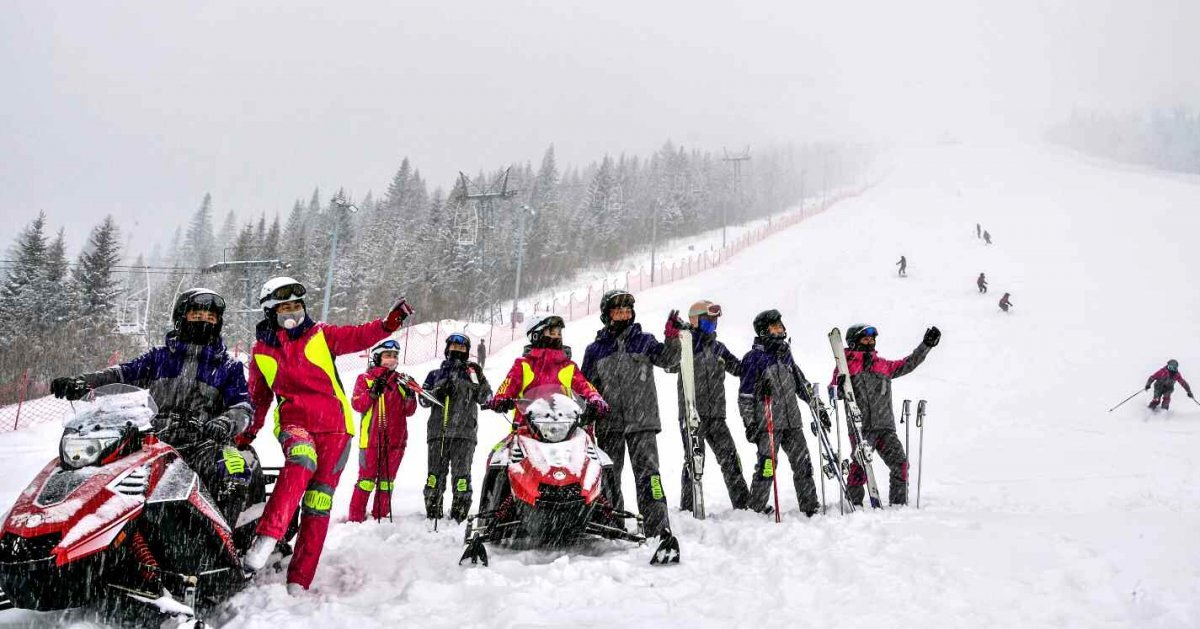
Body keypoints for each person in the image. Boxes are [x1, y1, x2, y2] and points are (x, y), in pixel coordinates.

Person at [241, 276, 413, 595]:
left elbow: (359, 336)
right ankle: (266, 539)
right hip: (295, 423)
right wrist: (247, 433)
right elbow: (259, 398)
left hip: (336, 429)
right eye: (284, 307)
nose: (293, 312)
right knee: (301, 460)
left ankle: (298, 581)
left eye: (297, 306)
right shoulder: (261, 352)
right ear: (270, 311)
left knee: (318, 504)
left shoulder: (321, 335)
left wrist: (388, 325)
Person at [50, 289, 255, 525]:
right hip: (156, 438)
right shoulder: (159, 357)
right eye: (196, 315)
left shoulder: (229, 366)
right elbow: (121, 374)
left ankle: (227, 544)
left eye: (210, 318)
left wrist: (224, 422)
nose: (203, 321)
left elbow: (242, 407)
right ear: (181, 318)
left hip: (206, 440)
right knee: (100, 471)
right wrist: (85, 382)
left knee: (233, 474)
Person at [582, 290, 682, 541]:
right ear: (607, 315)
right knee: (609, 477)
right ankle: (611, 525)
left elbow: (670, 361)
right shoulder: (595, 350)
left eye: (628, 310)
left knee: (650, 476)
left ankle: (657, 527)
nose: (624, 315)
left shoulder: (645, 341)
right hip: (610, 425)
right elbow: (587, 389)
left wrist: (672, 337)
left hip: (642, 422)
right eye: (618, 311)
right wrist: (588, 418)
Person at [482, 314, 607, 508]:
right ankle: (494, 512)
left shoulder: (569, 367)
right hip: (527, 429)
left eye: (559, 332)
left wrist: (594, 398)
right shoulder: (522, 365)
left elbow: (584, 385)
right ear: (536, 335)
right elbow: (507, 386)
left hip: (567, 429)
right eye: (552, 332)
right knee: (498, 459)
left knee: (597, 459)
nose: (556, 336)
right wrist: (500, 399)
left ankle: (603, 509)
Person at [830, 324, 939, 506]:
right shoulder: (845, 365)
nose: (870, 342)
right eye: (865, 339)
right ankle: (853, 504)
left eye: (872, 339)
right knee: (860, 468)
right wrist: (838, 386)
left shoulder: (883, 365)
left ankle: (898, 505)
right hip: (861, 429)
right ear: (854, 342)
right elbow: (833, 393)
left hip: (886, 428)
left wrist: (925, 345)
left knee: (901, 465)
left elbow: (908, 363)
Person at [737, 310, 827, 517]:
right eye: (775, 326)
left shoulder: (785, 353)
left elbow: (800, 383)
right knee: (767, 467)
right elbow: (746, 396)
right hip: (769, 422)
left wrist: (817, 406)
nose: (780, 329)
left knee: (803, 463)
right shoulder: (753, 358)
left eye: (780, 326)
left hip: (792, 422)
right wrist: (749, 423)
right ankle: (756, 508)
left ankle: (810, 506)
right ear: (763, 331)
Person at [667, 300, 750, 511]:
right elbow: (669, 364)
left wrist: (756, 364)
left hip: (717, 415)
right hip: (692, 414)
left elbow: (739, 368)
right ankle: (689, 508)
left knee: (731, 459)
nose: (712, 323)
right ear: (695, 320)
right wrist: (672, 339)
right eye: (708, 319)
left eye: (714, 320)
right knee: (694, 461)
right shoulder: (686, 343)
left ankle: (743, 504)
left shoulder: (717, 347)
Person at [421, 333, 492, 522]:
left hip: (464, 433)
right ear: (447, 349)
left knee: (461, 477)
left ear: (467, 351)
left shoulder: (473, 373)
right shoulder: (435, 374)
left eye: (462, 348)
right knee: (435, 475)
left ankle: (459, 513)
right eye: (454, 347)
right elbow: (423, 399)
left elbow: (485, 398)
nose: (457, 350)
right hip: (439, 432)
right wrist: (440, 389)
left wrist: (477, 378)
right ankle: (433, 510)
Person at [347, 340, 417, 523]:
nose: (392, 359)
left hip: (396, 441)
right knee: (366, 480)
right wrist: (372, 393)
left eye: (395, 356)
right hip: (371, 440)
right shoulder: (365, 378)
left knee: (387, 481)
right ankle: (355, 518)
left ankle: (381, 515)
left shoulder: (401, 380)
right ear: (377, 357)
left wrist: (410, 394)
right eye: (387, 356)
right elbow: (357, 404)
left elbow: (409, 411)